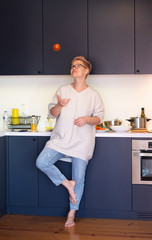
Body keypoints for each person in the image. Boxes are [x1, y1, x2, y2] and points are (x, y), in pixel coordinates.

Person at [36, 56, 104, 228]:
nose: (74, 68)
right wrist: (59, 105)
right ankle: (67, 184)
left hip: (82, 143)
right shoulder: (63, 90)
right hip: (60, 140)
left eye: (78, 66)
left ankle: (71, 215)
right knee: (41, 162)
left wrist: (88, 119)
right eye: (72, 65)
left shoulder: (94, 95)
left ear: (86, 71)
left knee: (79, 179)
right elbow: (52, 113)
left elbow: (99, 118)